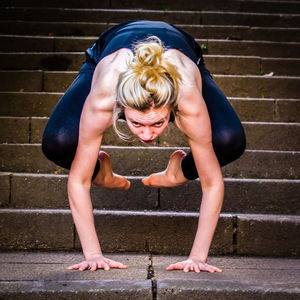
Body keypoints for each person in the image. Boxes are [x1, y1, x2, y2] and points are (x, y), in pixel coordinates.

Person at [42, 20, 246, 273]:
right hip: (111, 46)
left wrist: (198, 258)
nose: (147, 135)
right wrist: (93, 254)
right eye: (137, 123)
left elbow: (212, 182)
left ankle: (178, 171)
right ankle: (101, 171)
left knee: (229, 140)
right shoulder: (104, 98)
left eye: (158, 123)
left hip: (180, 47)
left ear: (172, 109)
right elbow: (78, 181)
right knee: (58, 141)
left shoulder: (188, 100)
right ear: (120, 109)